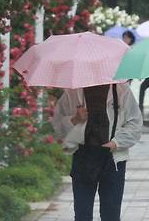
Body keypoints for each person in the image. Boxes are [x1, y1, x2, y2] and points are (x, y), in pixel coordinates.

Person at [52, 84, 142, 221]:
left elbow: (135, 124)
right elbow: (57, 124)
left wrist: (116, 143)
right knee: (82, 213)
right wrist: (74, 119)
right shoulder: (73, 92)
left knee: (111, 213)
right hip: (84, 155)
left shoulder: (121, 90)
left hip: (113, 158)